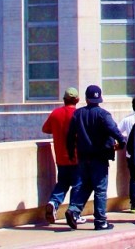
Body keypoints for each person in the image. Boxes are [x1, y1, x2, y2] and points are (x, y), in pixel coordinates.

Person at [65, 84, 126, 231]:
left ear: (86, 98)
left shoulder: (77, 114)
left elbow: (70, 136)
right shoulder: (103, 114)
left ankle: (73, 210)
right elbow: (114, 130)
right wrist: (122, 142)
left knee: (86, 186)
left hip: (83, 156)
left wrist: (71, 153)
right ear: (99, 99)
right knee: (100, 189)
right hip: (100, 157)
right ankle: (100, 221)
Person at [42, 87, 86, 225]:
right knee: (78, 185)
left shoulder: (56, 113)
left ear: (64, 99)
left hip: (60, 157)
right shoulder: (79, 114)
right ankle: (74, 212)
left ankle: (53, 202)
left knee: (62, 183)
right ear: (77, 100)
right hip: (77, 156)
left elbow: (45, 129)